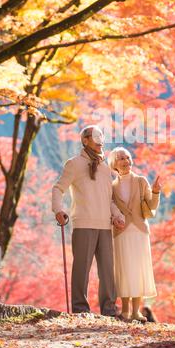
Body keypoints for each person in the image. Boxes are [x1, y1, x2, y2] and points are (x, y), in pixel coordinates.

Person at [52, 125, 125, 316]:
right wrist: (58, 209)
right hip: (84, 224)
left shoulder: (104, 168)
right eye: (96, 137)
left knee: (108, 272)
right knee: (81, 270)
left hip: (105, 225)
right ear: (85, 140)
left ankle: (109, 311)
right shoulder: (74, 164)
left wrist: (117, 215)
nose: (101, 140)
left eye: (102, 136)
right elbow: (58, 189)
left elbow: (108, 198)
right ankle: (80, 310)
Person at [108, 147, 161, 322]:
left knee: (138, 269)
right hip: (121, 232)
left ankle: (136, 312)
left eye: (128, 158)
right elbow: (111, 208)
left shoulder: (140, 181)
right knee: (124, 269)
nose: (126, 161)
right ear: (114, 163)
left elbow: (151, 205)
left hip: (139, 231)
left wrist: (156, 191)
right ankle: (124, 311)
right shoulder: (112, 186)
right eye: (121, 158)